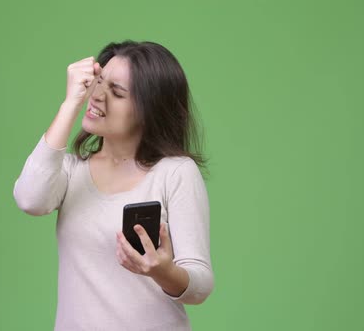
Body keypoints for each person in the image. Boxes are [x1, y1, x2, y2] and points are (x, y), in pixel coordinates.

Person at [13, 40, 214, 331]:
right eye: (97, 82)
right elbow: (29, 199)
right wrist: (70, 104)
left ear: (149, 110)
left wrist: (163, 271)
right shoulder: (71, 171)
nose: (97, 96)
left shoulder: (175, 173)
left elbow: (201, 285)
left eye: (117, 92)